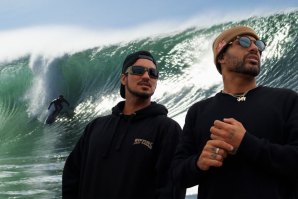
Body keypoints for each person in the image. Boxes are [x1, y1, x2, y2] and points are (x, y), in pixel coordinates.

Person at [173, 26, 298, 198]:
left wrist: (245, 142)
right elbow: (177, 175)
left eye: (259, 45)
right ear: (222, 56)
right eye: (244, 42)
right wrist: (198, 163)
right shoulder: (199, 111)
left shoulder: (287, 100)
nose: (255, 49)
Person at [62, 50, 185, 199]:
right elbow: (72, 175)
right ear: (123, 78)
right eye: (138, 71)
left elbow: (171, 189)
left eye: (153, 73)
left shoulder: (167, 129)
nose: (146, 76)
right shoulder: (96, 127)